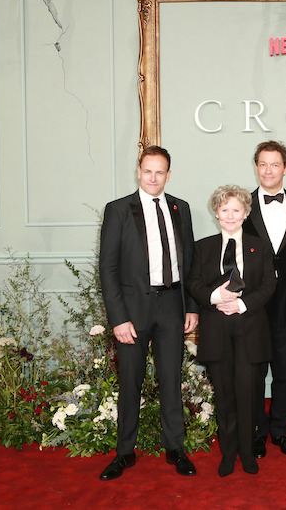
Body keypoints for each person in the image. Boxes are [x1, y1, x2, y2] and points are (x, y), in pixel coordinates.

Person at [98, 145, 199, 480]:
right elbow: (108, 268)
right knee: (130, 381)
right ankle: (124, 452)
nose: (153, 177)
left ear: (168, 175)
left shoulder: (180, 208)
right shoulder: (118, 210)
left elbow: (191, 264)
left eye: (160, 172)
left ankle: (176, 449)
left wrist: (193, 307)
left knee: (171, 379)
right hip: (132, 310)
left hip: (172, 305)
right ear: (138, 171)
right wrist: (118, 318)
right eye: (147, 170)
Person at [186, 185, 277, 476]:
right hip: (216, 329)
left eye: (236, 210)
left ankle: (248, 453)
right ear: (216, 212)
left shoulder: (260, 246)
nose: (230, 215)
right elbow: (194, 283)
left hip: (250, 329)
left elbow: (268, 285)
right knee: (224, 396)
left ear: (246, 213)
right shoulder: (203, 247)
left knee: (249, 394)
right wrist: (215, 297)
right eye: (224, 209)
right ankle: (228, 454)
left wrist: (241, 305)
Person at [242, 141, 286, 458]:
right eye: (263, 164)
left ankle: (280, 430)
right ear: (256, 167)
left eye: (275, 164)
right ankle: (256, 432)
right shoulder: (241, 204)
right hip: (253, 303)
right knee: (253, 371)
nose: (268, 170)